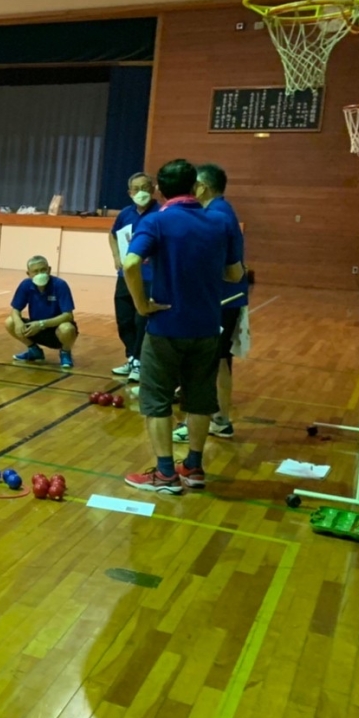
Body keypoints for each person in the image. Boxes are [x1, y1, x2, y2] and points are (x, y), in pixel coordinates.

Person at [123, 159, 244, 494]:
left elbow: (131, 263)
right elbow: (235, 274)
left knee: (157, 401)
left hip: (166, 327)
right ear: (195, 186)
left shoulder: (158, 222)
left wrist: (142, 305)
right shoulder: (218, 221)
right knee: (200, 400)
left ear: (159, 190)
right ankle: (193, 467)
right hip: (207, 327)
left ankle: (164, 474)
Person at [174, 163, 244, 443]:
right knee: (220, 361)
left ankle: (213, 420)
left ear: (203, 186)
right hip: (226, 297)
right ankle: (221, 420)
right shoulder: (222, 211)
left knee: (208, 363)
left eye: (194, 184)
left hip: (221, 299)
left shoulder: (215, 215)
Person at [109, 172, 158, 382]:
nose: (141, 193)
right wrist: (117, 257)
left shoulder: (160, 213)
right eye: (136, 189)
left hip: (149, 277)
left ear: (153, 189)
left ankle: (139, 361)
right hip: (125, 275)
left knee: (141, 320)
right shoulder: (125, 214)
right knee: (124, 319)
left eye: (145, 187)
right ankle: (131, 357)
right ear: (130, 193)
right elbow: (113, 235)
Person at [6, 256, 78, 369]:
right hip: (35, 328)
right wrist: (18, 322)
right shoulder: (25, 285)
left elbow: (68, 315)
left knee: (67, 328)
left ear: (49, 270)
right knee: (10, 322)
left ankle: (65, 352)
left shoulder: (60, 285)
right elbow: (15, 310)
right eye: (35, 271)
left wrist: (41, 324)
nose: (40, 274)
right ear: (28, 273)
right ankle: (34, 350)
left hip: (55, 329)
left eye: (43, 270)